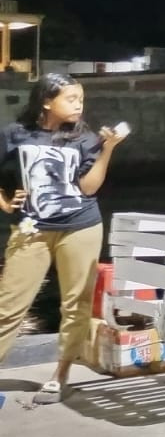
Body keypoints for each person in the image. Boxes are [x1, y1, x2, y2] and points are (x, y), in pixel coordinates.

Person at [0, 74, 128, 401]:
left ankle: (60, 376)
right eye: (71, 98)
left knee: (75, 305)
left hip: (82, 225)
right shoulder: (15, 134)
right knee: (8, 305)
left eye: (80, 98)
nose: (78, 104)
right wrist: (3, 202)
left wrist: (107, 150)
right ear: (46, 101)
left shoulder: (85, 138)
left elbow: (88, 188)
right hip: (31, 229)